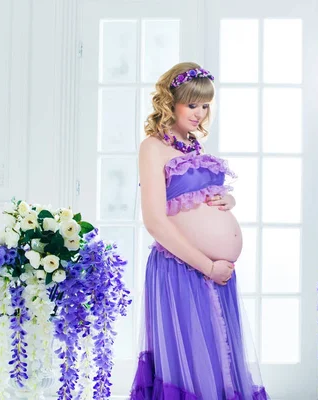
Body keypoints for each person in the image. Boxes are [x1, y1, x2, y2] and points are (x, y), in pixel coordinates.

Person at [130, 62, 269, 399]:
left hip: (216, 273)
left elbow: (193, 200)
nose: (200, 113)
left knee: (218, 359)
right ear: (170, 101)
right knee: (192, 363)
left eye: (205, 105)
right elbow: (155, 221)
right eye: (192, 104)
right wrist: (207, 266)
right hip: (183, 267)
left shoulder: (192, 146)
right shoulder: (153, 147)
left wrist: (227, 199)